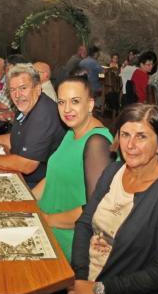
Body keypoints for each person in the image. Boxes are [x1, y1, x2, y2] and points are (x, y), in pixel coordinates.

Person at [67, 104, 158, 294]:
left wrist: (98, 290)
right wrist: (81, 282)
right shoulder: (113, 171)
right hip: (85, 283)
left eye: (141, 136)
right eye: (125, 134)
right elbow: (85, 223)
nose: (130, 145)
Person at [33, 76, 113, 261]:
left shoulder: (97, 143)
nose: (67, 109)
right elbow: (53, 176)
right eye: (61, 102)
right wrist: (26, 200)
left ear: (91, 104)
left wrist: (47, 219)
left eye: (75, 101)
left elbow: (96, 209)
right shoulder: (72, 131)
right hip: (45, 229)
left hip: (66, 241)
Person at [0, 63, 65, 188]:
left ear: (37, 89)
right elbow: (15, 138)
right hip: (20, 173)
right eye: (12, 90)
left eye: (23, 88)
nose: (17, 95)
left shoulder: (43, 114)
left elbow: (27, 165)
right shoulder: (28, 106)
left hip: (38, 184)